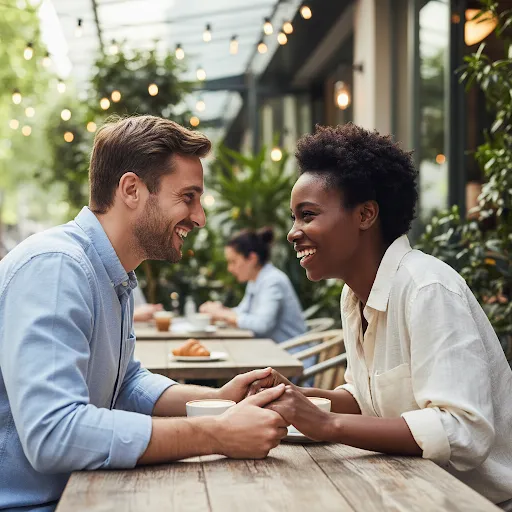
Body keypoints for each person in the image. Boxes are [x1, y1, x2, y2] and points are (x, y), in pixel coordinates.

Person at [0, 115, 288, 512]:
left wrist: (216, 399)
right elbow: (54, 434)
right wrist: (214, 433)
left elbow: (125, 383)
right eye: (188, 197)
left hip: (80, 493)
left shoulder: (112, 273)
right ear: (132, 189)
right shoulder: (57, 268)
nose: (200, 217)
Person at [247, 124, 512, 509]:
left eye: (307, 215)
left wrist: (326, 425)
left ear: (366, 214)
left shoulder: (427, 289)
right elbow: (363, 399)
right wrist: (296, 398)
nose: (293, 233)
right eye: (294, 218)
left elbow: (462, 432)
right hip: (407, 490)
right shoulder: (354, 295)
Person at [200, 227, 307, 343]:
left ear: (252, 259)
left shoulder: (273, 281)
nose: (229, 269)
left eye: (233, 262)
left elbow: (262, 325)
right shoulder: (255, 280)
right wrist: (220, 310)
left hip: (293, 355)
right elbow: (243, 312)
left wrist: (223, 314)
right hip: (273, 352)